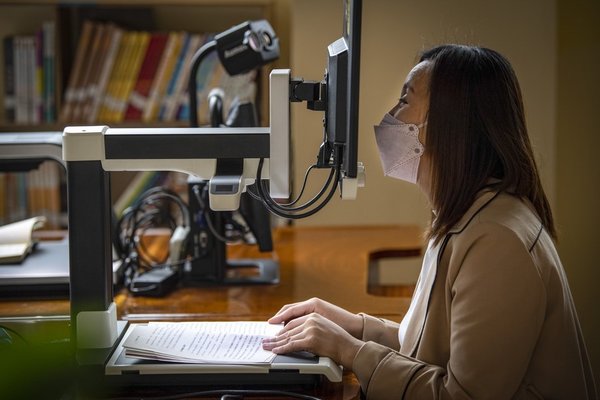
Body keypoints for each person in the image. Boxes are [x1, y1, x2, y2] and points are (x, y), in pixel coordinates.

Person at [262, 45, 597, 399]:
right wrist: (353, 327)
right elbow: (427, 348)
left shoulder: (496, 241)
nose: (390, 116)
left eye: (404, 102)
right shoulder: (467, 216)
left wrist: (350, 351)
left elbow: (460, 396)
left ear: (449, 126)